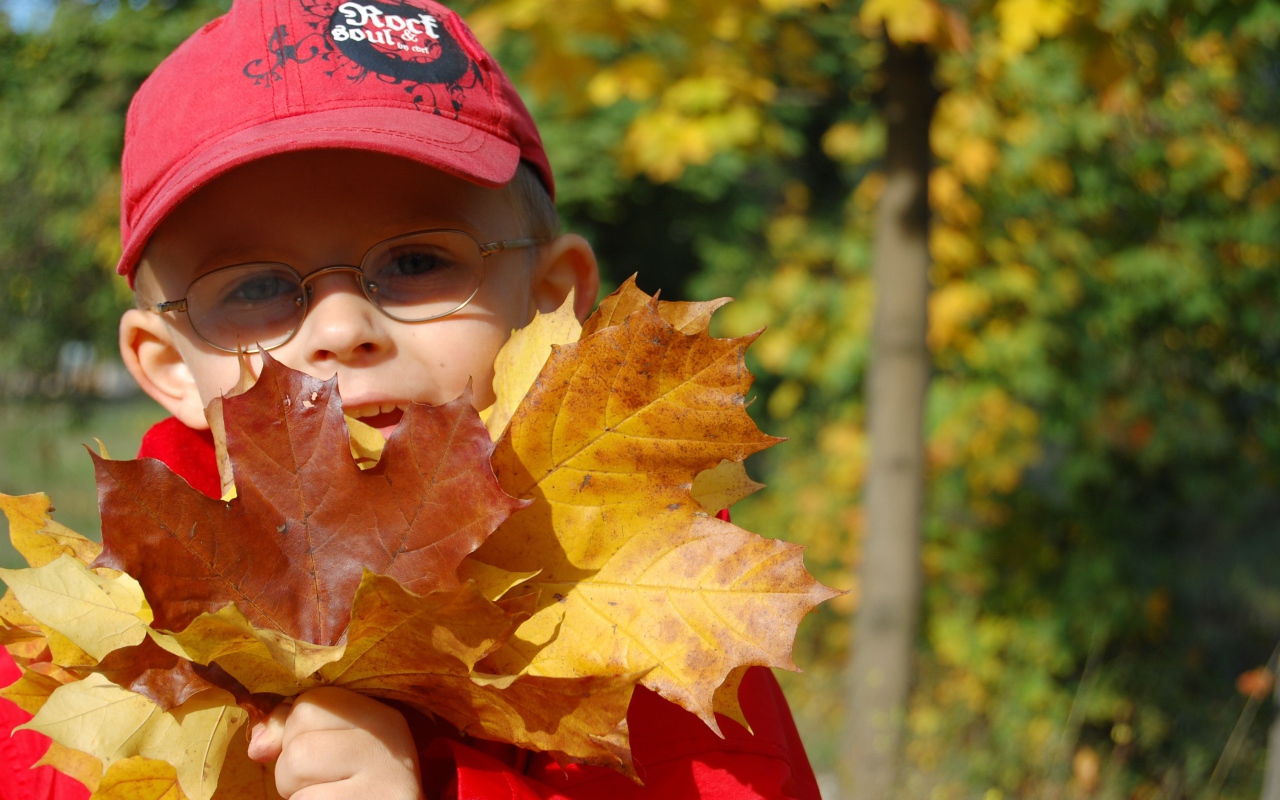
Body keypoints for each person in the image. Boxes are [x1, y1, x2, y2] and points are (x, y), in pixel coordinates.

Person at [0, 2, 823, 798]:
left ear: (551, 305)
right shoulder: (82, 662)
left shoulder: (650, 615)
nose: (343, 325)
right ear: (168, 364)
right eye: (255, 285)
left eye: (417, 264)